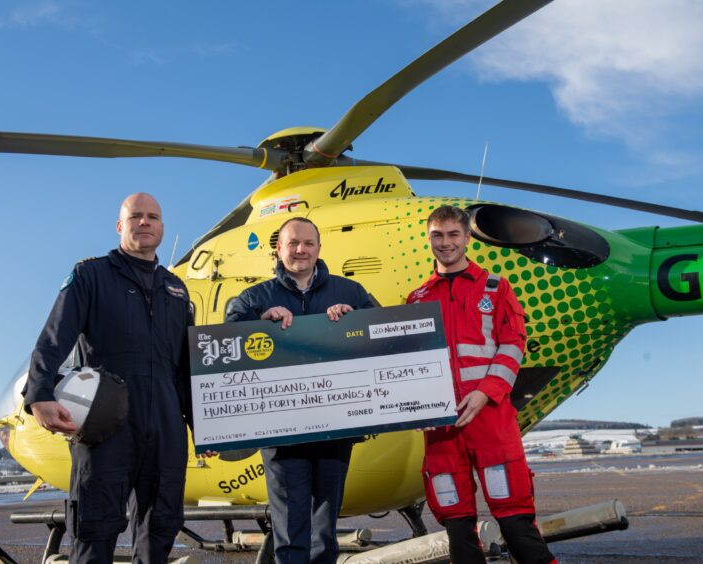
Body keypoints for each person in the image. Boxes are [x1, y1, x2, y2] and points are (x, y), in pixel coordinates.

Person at [23, 193, 192, 563]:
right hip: (105, 423)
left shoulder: (177, 290)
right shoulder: (91, 275)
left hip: (165, 425)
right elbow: (54, 338)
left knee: (162, 524)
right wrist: (38, 393)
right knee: (95, 524)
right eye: (135, 217)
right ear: (120, 226)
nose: (144, 223)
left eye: (152, 217)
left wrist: (205, 426)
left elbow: (187, 369)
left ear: (162, 227)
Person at [407, 206, 556, 564]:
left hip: (489, 418)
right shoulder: (417, 299)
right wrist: (417, 406)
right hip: (442, 426)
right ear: (428, 239)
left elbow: (513, 344)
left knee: (514, 518)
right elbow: (409, 365)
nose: (446, 243)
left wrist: (486, 391)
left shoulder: (496, 287)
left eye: (453, 235)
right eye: (437, 236)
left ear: (467, 238)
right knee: (457, 524)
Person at [225, 217, 374, 564]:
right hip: (280, 433)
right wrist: (258, 323)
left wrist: (355, 321)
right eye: (293, 243)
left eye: (308, 243)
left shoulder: (350, 293)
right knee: (289, 532)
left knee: (325, 529)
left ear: (319, 249)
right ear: (279, 248)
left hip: (334, 430)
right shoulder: (254, 298)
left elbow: (381, 333)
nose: (301, 250)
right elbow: (224, 343)